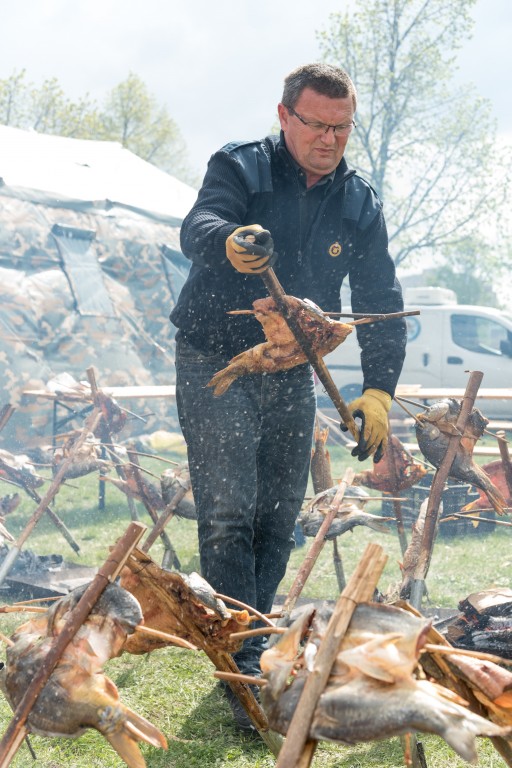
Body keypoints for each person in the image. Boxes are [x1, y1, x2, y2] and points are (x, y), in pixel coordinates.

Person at [170, 63, 407, 730]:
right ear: (284, 116)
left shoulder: (359, 202)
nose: (329, 139)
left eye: (342, 127)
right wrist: (227, 241)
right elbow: (199, 223)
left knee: (277, 516)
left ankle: (250, 633)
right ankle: (244, 661)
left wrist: (379, 392)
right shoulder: (241, 167)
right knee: (229, 512)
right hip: (216, 360)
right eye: (316, 125)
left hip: (292, 368)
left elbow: (381, 299)